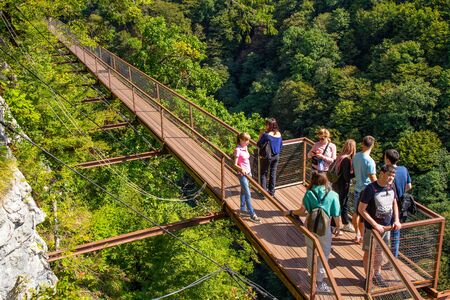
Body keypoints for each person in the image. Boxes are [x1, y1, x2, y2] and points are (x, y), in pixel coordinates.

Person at [290, 171, 341, 293]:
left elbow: (302, 211)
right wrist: (338, 227)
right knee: (324, 253)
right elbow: (336, 214)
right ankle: (319, 281)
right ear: (326, 180)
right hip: (325, 227)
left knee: (310, 250)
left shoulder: (309, 193)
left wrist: (291, 212)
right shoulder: (333, 195)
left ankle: (311, 274)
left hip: (310, 226)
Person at [358, 165, 401, 287]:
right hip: (372, 229)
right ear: (382, 173)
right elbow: (361, 209)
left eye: (393, 176)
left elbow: (394, 203)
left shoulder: (392, 186)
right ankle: (368, 279)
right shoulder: (371, 189)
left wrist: (397, 220)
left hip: (387, 227)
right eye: (389, 175)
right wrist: (375, 224)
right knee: (369, 252)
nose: (391, 178)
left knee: (379, 252)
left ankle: (377, 275)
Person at [384, 149, 412, 257]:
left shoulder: (387, 171)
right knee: (396, 231)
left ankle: (380, 256)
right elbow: (409, 186)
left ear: (387, 159)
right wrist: (400, 191)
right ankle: (393, 259)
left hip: (388, 204)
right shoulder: (404, 169)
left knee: (384, 231)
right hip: (400, 204)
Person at [352, 136, 377, 243]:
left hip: (357, 187)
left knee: (355, 212)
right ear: (372, 145)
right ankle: (362, 236)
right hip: (366, 190)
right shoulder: (370, 162)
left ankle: (356, 233)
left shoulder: (356, 156)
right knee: (363, 215)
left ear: (362, 143)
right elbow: (373, 179)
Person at [234, 132, 260, 223]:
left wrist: (248, 171)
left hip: (249, 173)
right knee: (248, 193)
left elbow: (246, 160)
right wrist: (241, 169)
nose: (248, 142)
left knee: (244, 190)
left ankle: (242, 207)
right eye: (247, 140)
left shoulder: (245, 147)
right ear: (241, 140)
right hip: (242, 175)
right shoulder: (238, 149)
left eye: (248, 140)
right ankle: (252, 214)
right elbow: (234, 164)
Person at [332, 139, 356, 233]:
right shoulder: (346, 160)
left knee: (343, 205)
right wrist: (355, 174)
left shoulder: (340, 156)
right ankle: (334, 226)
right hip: (342, 186)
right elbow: (346, 177)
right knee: (340, 205)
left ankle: (345, 223)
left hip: (336, 184)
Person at [257, 118, 283, 196]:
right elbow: (281, 145)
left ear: (269, 125)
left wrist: (260, 136)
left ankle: (263, 193)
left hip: (267, 157)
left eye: (266, 124)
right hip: (276, 156)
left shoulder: (266, 135)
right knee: (273, 173)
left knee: (263, 173)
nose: (265, 126)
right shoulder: (279, 134)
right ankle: (271, 192)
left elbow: (259, 144)